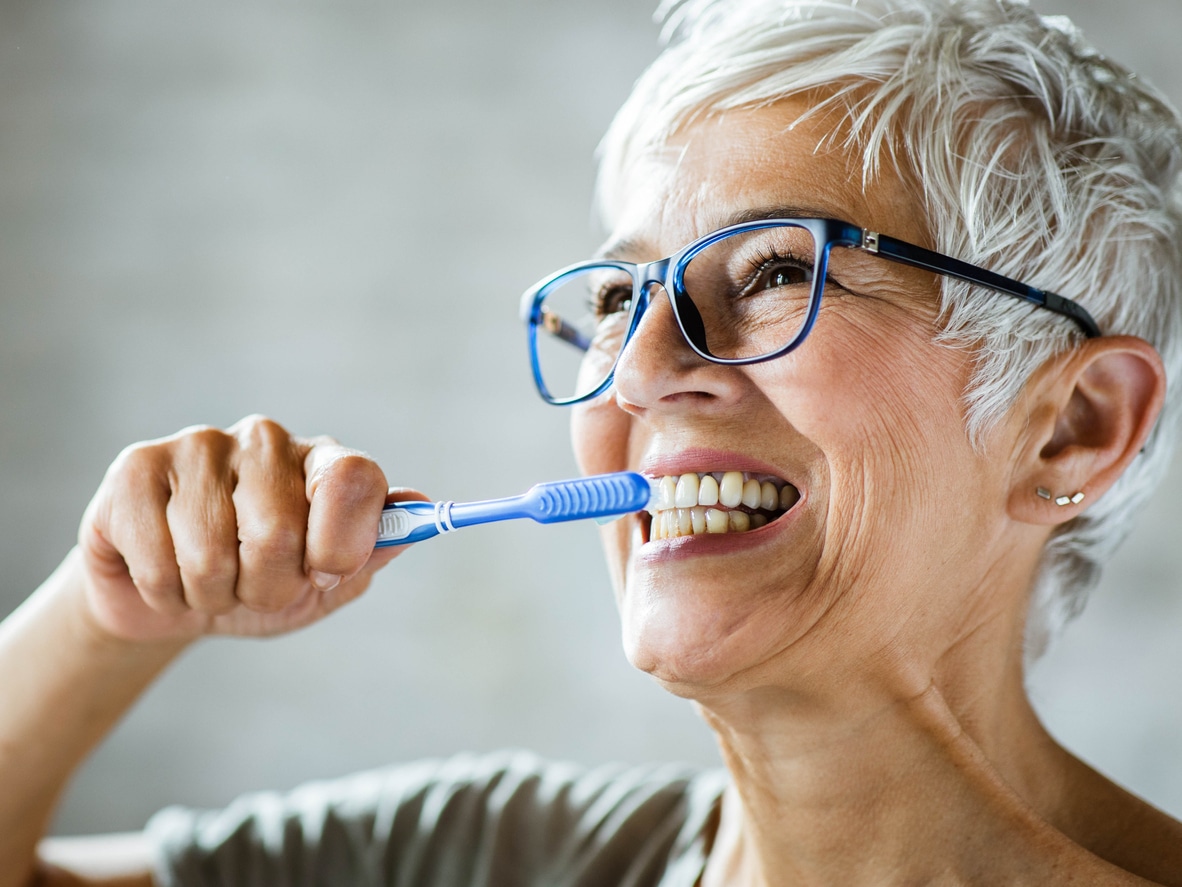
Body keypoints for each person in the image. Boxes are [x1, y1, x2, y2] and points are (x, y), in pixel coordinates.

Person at [4, 0, 1182, 883]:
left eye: (775, 270)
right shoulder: (481, 856)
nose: (643, 365)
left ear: (1071, 429)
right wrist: (108, 615)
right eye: (619, 301)